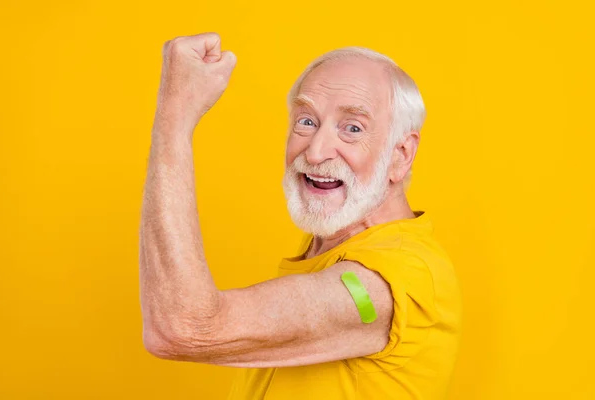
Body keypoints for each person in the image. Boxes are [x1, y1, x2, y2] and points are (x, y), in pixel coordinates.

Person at [139, 32, 462, 400]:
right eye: (306, 122)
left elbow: (184, 327)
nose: (316, 151)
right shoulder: (336, 242)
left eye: (352, 128)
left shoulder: (387, 283)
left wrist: (175, 117)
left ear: (401, 156)